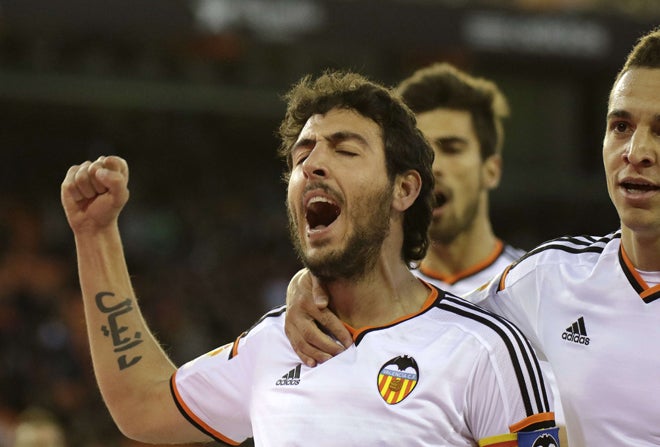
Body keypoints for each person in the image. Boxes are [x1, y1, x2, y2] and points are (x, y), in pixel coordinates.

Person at [61, 70, 559, 446]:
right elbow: (141, 405)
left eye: (345, 150)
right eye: (301, 156)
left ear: (403, 188)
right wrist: (95, 234)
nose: (313, 164)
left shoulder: (485, 350)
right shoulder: (272, 344)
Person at [283, 27, 660, 446]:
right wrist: (313, 285)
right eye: (621, 126)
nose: (637, 151)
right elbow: (429, 323)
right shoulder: (550, 278)